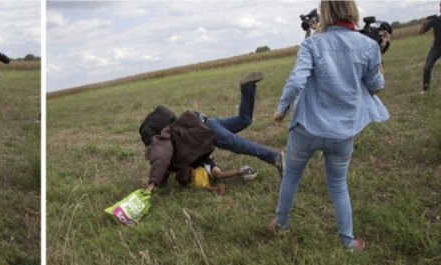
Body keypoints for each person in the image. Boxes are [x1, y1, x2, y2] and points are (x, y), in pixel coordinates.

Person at [271, 0, 390, 253]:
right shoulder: (368, 46)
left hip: (306, 128)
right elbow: (375, 87)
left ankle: (280, 225)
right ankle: (348, 243)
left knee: (291, 177)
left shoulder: (312, 44)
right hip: (342, 132)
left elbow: (296, 82)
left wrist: (281, 110)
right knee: (338, 185)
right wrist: (380, 56)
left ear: (324, 12)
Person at [140, 72, 283, 191]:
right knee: (244, 120)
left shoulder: (164, 139)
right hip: (208, 124)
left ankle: (274, 157)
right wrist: (161, 182)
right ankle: (247, 87)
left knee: (236, 144)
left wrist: (151, 184)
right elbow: (166, 167)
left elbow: (160, 157)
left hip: (208, 131)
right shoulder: (178, 149)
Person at [421, 3, 441, 92]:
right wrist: (425, 21)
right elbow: (421, 32)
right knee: (427, 68)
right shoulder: (435, 20)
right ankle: (426, 90)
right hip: (436, 48)